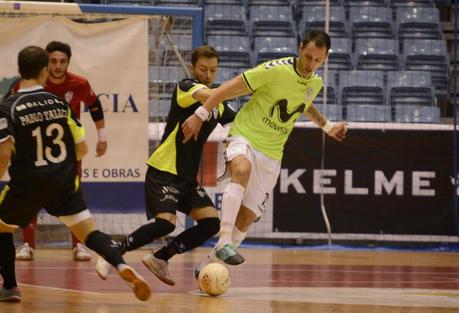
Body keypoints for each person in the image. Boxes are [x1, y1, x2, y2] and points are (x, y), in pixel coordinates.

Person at [181, 30, 348, 272]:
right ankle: (224, 241)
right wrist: (201, 113)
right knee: (241, 168)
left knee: (248, 217)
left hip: (272, 152)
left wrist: (327, 125)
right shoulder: (274, 69)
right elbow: (229, 88)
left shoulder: (316, 82)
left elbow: (303, 104)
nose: (311, 64)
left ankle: (210, 265)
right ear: (300, 47)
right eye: (308, 56)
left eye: (318, 60)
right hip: (245, 134)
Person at [0, 46, 150, 302]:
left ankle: (11, 287)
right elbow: (81, 147)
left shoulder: (9, 106)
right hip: (64, 182)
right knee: (90, 234)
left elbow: (4, 152)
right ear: (44, 70)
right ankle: (121, 265)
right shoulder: (60, 103)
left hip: (28, 183)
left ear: (21, 71)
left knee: (2, 229)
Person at [95, 45, 236, 286]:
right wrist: (235, 88)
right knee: (165, 223)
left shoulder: (220, 105)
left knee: (211, 222)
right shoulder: (186, 87)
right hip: (164, 169)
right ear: (192, 68)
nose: (208, 75)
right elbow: (208, 96)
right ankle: (113, 252)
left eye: (213, 70)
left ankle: (161, 257)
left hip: (187, 177)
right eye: (203, 69)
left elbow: (239, 120)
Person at [13, 41, 107, 262]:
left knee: (73, 196)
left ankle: (79, 246)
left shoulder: (79, 83)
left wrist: (102, 138)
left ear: (68, 62)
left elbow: (95, 106)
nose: (57, 66)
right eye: (53, 61)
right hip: (36, 151)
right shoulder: (30, 84)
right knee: (30, 194)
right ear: (46, 63)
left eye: (62, 61)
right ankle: (27, 244)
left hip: (68, 152)